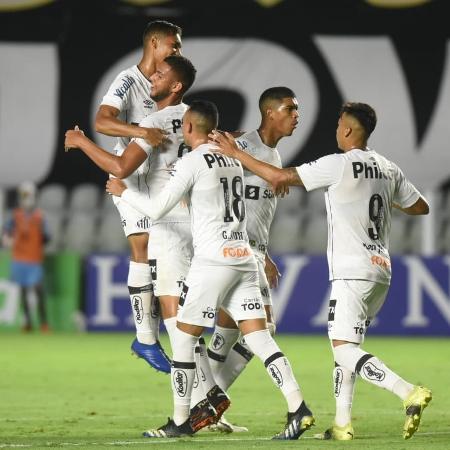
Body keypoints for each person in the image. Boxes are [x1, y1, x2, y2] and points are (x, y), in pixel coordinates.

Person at [209, 101, 432, 441]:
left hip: (351, 270)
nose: (336, 130)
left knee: (344, 349)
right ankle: (342, 424)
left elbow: (281, 177)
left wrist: (235, 153)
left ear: (346, 130)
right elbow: (421, 206)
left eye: (338, 124)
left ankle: (407, 392)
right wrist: (381, 194)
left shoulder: (338, 164)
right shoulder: (387, 167)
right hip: (381, 271)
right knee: (348, 346)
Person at [106, 100, 315, 440]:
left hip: (213, 261)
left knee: (185, 338)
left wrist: (123, 191)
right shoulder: (232, 160)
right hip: (243, 258)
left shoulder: (191, 161)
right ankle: (297, 407)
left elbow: (157, 209)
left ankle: (179, 421)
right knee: (260, 338)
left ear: (189, 128)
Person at [64, 21, 185, 374]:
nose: (177, 51)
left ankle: (159, 334)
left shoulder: (165, 83)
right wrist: (139, 130)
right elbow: (102, 121)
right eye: (173, 46)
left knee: (160, 255)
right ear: (153, 43)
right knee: (143, 247)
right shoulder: (128, 80)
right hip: (129, 179)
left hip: (159, 181)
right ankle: (146, 338)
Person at [203, 86, 299, 433]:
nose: (296, 117)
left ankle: (209, 406)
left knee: (227, 334)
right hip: (233, 252)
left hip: (253, 252)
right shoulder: (239, 147)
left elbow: (252, 208)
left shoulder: (272, 159)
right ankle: (208, 404)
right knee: (261, 328)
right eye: (290, 109)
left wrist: (265, 252)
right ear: (270, 112)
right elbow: (208, 170)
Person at [2, 182, 50, 332]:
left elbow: (47, 237)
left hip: (34, 258)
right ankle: (28, 321)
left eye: (28, 195)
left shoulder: (40, 216)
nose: (26, 198)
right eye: (24, 195)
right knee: (23, 291)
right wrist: (7, 239)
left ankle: (44, 323)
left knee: (38, 290)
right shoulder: (15, 216)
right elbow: (6, 233)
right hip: (20, 257)